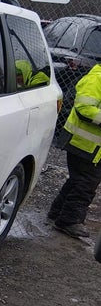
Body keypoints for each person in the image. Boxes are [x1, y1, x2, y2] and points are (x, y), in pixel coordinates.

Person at [48, 63, 101, 239]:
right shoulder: (96, 78)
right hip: (82, 143)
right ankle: (69, 221)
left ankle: (57, 213)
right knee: (86, 183)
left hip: (91, 146)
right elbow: (84, 109)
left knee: (78, 179)